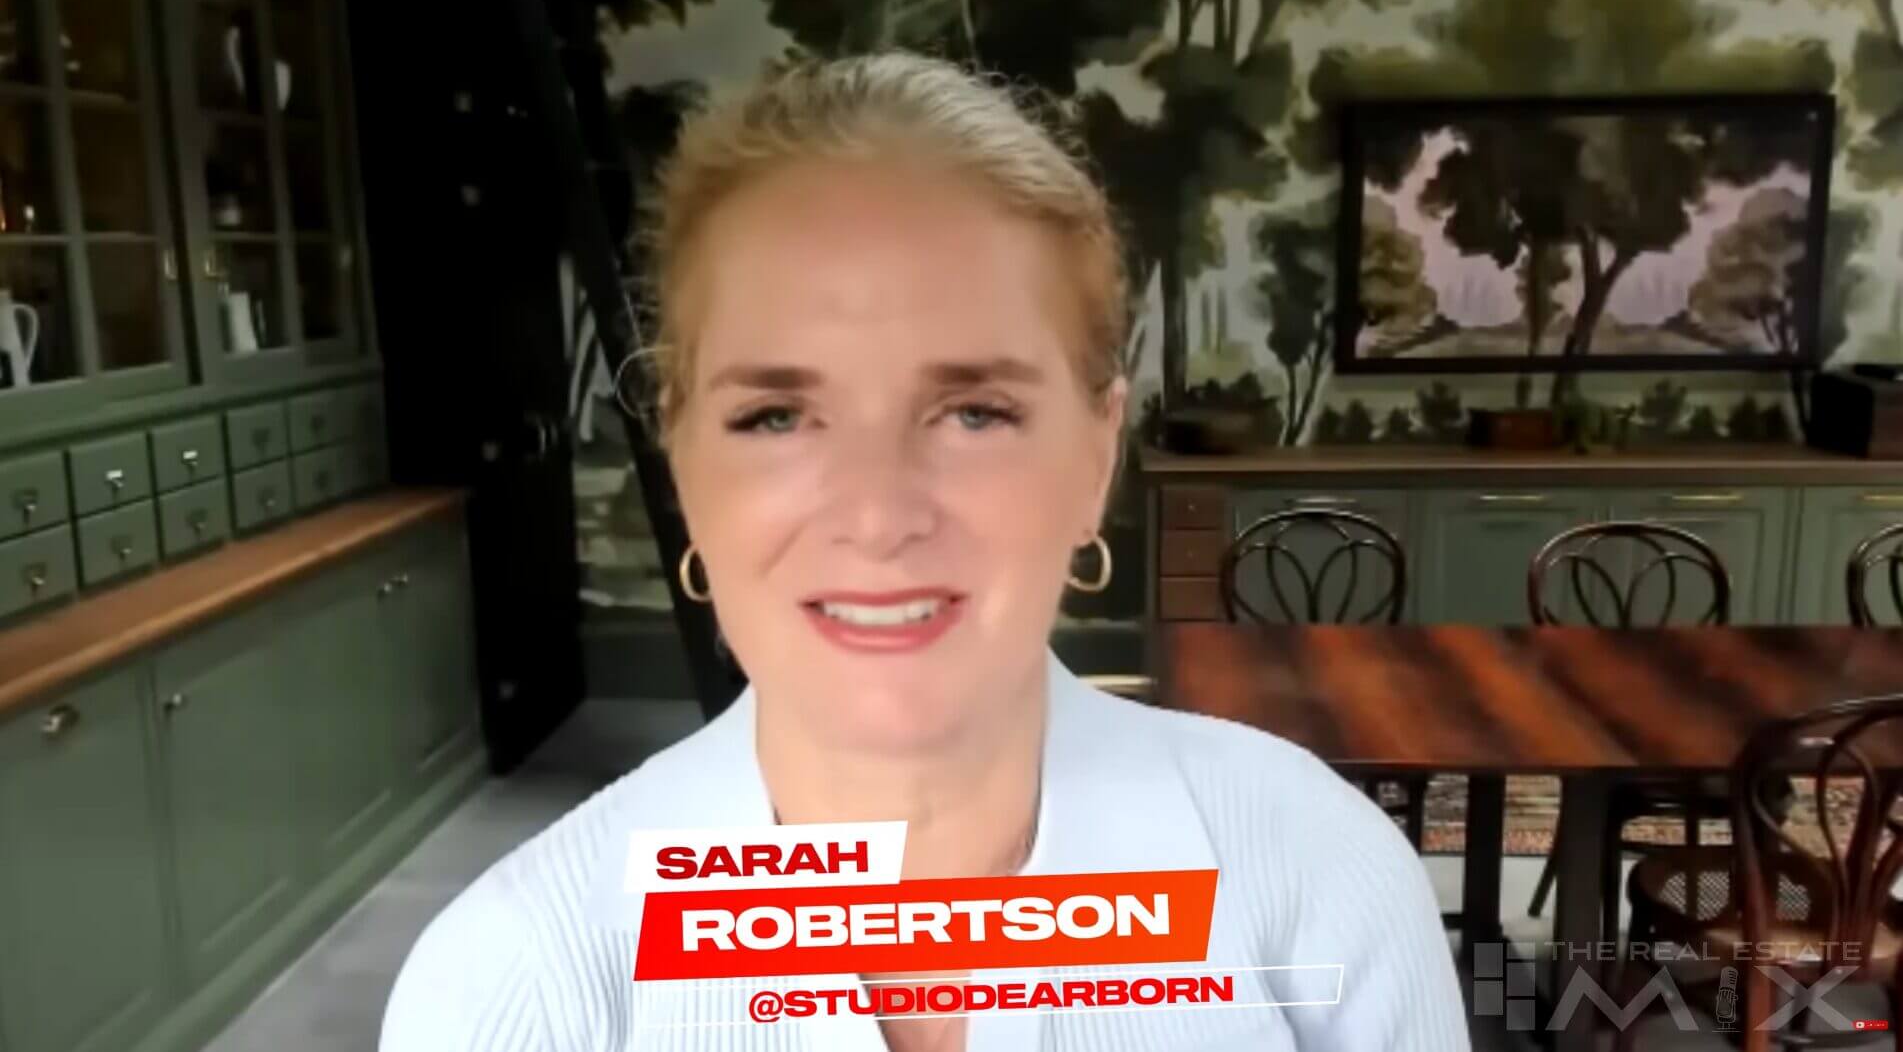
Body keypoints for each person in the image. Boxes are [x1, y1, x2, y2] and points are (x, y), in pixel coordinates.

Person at [380, 51, 1469, 1052]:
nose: (876, 513)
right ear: (681, 458)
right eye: (775, 415)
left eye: (973, 411)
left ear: (1096, 451)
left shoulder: (1315, 877)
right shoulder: (516, 981)